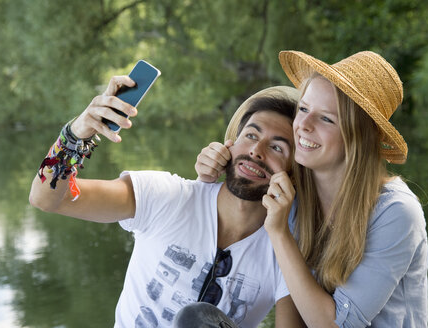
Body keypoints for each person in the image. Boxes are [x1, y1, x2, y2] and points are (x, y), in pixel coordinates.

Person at [28, 78, 306, 327]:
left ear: (293, 173)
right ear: (230, 145)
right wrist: (78, 133)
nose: (256, 151)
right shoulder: (168, 196)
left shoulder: (287, 248)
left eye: (277, 147)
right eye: (251, 136)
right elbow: (48, 199)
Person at [195, 50, 428, 327]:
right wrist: (212, 173)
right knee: (196, 319)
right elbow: (237, 215)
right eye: (304, 109)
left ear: (359, 138)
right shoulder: (294, 193)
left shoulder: (396, 212)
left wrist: (280, 233)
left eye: (326, 118)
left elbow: (335, 325)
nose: (303, 125)